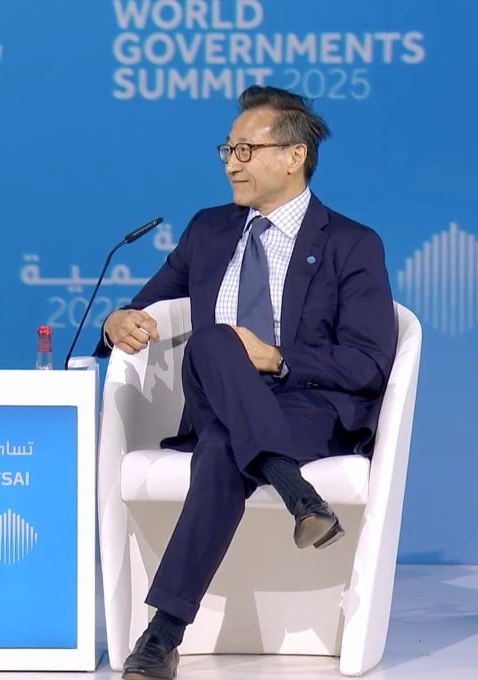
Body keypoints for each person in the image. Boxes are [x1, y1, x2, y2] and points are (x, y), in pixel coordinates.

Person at [97, 86, 397, 680]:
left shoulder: (350, 244)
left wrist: (280, 360)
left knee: (221, 446)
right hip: (222, 398)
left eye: (245, 149)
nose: (230, 162)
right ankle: (297, 494)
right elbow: (146, 308)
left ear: (294, 155)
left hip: (306, 409)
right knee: (213, 341)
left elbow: (368, 362)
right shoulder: (209, 231)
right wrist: (114, 324)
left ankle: (161, 635)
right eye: (226, 149)